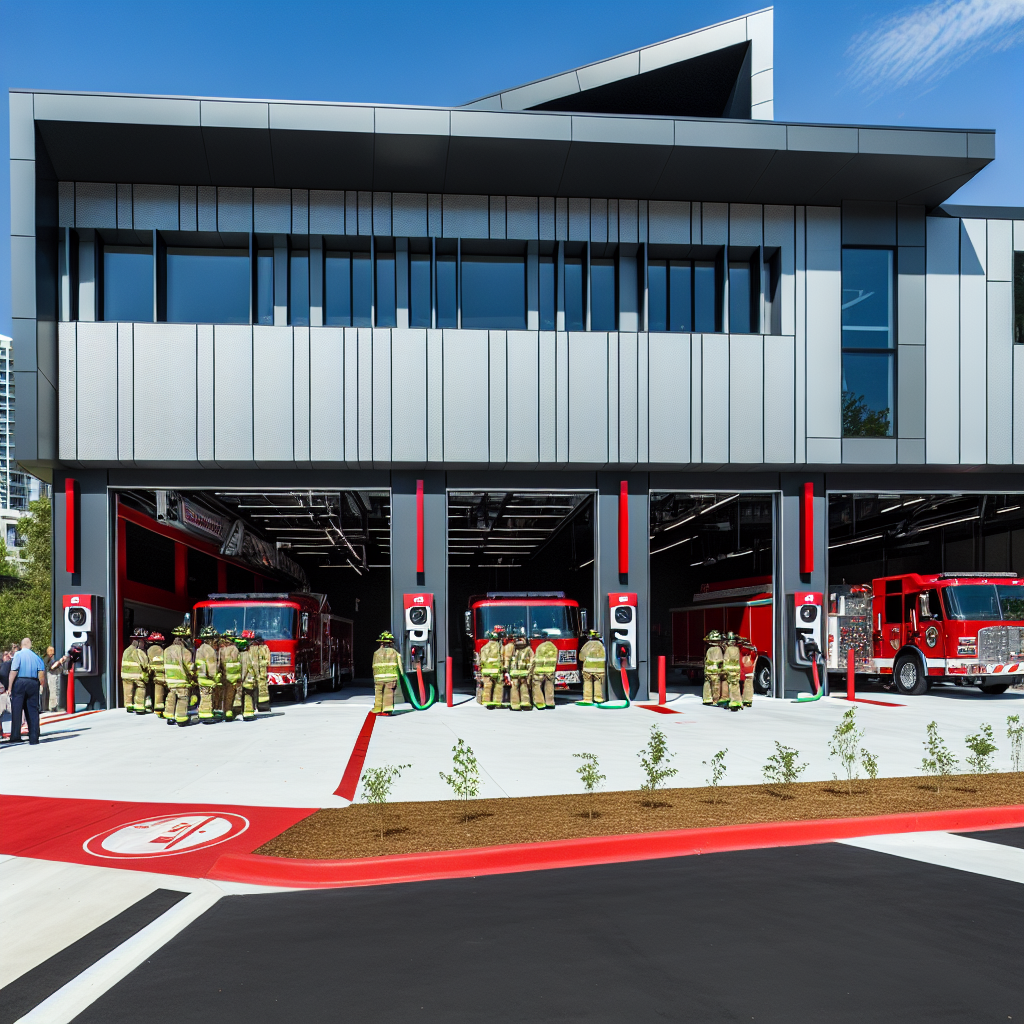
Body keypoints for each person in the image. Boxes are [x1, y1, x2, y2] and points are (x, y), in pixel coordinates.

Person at [9, 638, 47, 745]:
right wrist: (41, 686)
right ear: (30, 645)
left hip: (20, 682)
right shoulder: (37, 657)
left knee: (17, 709)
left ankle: (15, 735)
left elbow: (14, 671)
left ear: (22, 645)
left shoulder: (18, 655)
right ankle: (34, 737)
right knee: (33, 710)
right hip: (33, 682)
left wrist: (10, 687)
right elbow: (41, 673)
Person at [162, 624, 194, 726]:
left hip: (170, 680)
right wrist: (193, 675)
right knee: (182, 698)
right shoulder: (185, 651)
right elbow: (189, 667)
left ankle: (169, 717)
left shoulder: (166, 650)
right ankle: (181, 719)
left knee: (171, 697)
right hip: (181, 680)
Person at [121, 628, 151, 712]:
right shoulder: (139, 651)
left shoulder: (126, 650)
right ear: (138, 642)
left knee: (128, 690)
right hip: (138, 676)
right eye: (143, 642)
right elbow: (145, 664)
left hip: (126, 676)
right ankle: (139, 706)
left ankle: (128, 705)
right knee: (141, 688)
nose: (144, 644)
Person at [371, 631, 400, 715]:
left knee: (378, 693)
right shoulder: (395, 653)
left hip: (379, 678)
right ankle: (387, 710)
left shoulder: (376, 653)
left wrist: (374, 677)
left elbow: (373, 666)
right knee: (389, 694)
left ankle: (377, 709)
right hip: (391, 678)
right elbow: (400, 666)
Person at [194, 626, 220, 723]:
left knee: (203, 695)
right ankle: (206, 716)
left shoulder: (200, 649)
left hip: (200, 677)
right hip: (207, 678)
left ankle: (201, 713)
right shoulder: (210, 650)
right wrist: (216, 677)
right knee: (207, 696)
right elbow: (211, 667)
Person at [218, 631, 242, 721]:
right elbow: (238, 663)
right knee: (232, 695)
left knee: (224, 694)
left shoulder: (221, 649)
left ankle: (224, 711)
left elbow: (219, 663)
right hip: (234, 677)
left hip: (224, 676)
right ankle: (231, 712)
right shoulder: (235, 649)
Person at [578, 630, 607, 706]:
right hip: (599, 669)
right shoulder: (601, 645)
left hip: (588, 669)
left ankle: (588, 698)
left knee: (588, 683)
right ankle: (598, 698)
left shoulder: (587, 645)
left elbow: (581, 657)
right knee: (598, 683)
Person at [508, 631, 534, 711]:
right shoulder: (528, 649)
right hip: (524, 673)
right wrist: (530, 672)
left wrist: (507, 671)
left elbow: (507, 660)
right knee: (524, 688)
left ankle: (515, 706)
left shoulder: (512, 648)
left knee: (514, 689)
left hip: (514, 673)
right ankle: (525, 704)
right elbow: (532, 661)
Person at [478, 629, 504, 707]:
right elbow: (502, 658)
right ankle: (497, 703)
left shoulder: (484, 648)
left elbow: (481, 661)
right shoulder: (500, 647)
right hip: (497, 672)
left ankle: (487, 703)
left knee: (487, 687)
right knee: (498, 687)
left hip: (486, 671)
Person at [532, 636, 558, 709]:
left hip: (539, 670)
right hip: (550, 670)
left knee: (537, 686)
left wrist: (531, 669)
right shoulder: (554, 648)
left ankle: (540, 703)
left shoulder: (540, 647)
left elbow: (535, 659)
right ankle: (550, 703)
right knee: (549, 686)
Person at [236, 636, 258, 721]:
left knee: (242, 696)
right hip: (248, 680)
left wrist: (240, 679)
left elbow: (242, 668)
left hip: (244, 680)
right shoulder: (246, 655)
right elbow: (246, 668)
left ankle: (243, 712)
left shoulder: (239, 655)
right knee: (248, 696)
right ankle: (248, 714)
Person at [722, 632, 744, 711]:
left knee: (731, 687)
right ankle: (739, 701)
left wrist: (723, 670)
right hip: (737, 670)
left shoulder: (728, 650)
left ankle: (733, 702)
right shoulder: (737, 649)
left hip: (730, 671)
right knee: (736, 686)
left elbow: (726, 660)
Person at [146, 633, 167, 717]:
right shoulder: (162, 650)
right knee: (159, 689)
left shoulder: (149, 650)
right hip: (161, 674)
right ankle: (159, 707)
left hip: (151, 673)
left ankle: (148, 704)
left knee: (149, 688)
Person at [702, 630, 725, 707]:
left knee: (707, 684)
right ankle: (715, 700)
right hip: (715, 671)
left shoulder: (709, 649)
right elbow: (720, 660)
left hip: (708, 670)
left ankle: (707, 699)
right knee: (715, 685)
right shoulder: (718, 649)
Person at [43, 647, 68, 714]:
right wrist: (60, 661)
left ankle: (54, 705)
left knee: (55, 690)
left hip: (53, 675)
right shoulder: (48, 658)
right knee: (53, 690)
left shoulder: (48, 658)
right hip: (52, 675)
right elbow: (52, 667)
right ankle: (53, 706)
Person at [250, 632, 271, 711]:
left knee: (263, 691)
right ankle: (252, 706)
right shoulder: (251, 648)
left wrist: (260, 664)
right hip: (252, 672)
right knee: (252, 689)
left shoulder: (265, 648)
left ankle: (263, 706)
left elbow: (268, 661)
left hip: (262, 673)